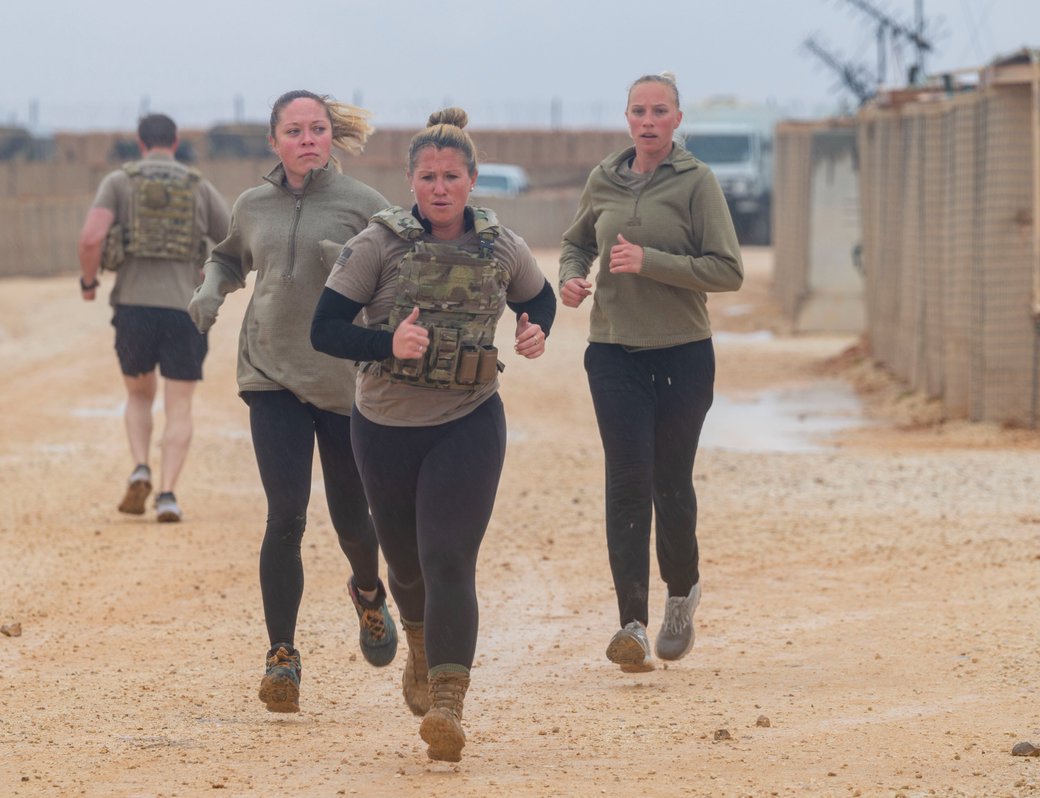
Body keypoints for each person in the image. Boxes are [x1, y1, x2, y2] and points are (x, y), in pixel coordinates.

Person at [310, 107, 556, 763]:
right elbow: (325, 329)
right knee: (408, 569)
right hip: (385, 427)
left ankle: (449, 702)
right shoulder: (378, 245)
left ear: (472, 180)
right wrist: (387, 340)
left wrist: (536, 328)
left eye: (451, 176)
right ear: (411, 181)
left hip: (468, 421)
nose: (440, 187)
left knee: (450, 559)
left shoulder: (501, 246)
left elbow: (541, 295)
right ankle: (417, 639)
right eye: (428, 176)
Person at [187, 90, 397, 715]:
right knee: (286, 515)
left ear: (331, 137)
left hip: (340, 384)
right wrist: (209, 289)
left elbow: (400, 269)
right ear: (274, 140)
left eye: (317, 129)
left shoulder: (366, 206)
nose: (307, 139)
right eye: (294, 130)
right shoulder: (252, 205)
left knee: (352, 520)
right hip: (268, 374)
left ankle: (367, 591)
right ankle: (282, 655)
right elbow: (227, 257)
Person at [558, 72, 744, 675]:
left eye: (659, 111)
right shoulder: (604, 179)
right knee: (627, 481)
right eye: (638, 110)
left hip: (683, 352)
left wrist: (650, 262)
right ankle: (631, 625)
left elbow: (727, 270)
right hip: (612, 351)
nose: (648, 121)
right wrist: (572, 278)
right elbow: (576, 242)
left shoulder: (697, 182)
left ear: (677, 119)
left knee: (670, 482)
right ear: (627, 117)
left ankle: (681, 594)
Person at [78, 112, 231, 523]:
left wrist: (89, 283)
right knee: (179, 405)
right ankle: (167, 494)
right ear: (176, 141)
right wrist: (212, 280)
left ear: (140, 142)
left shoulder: (119, 182)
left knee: (138, 396)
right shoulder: (198, 185)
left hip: (133, 307)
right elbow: (234, 239)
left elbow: (91, 237)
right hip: (185, 308)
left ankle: (141, 465)